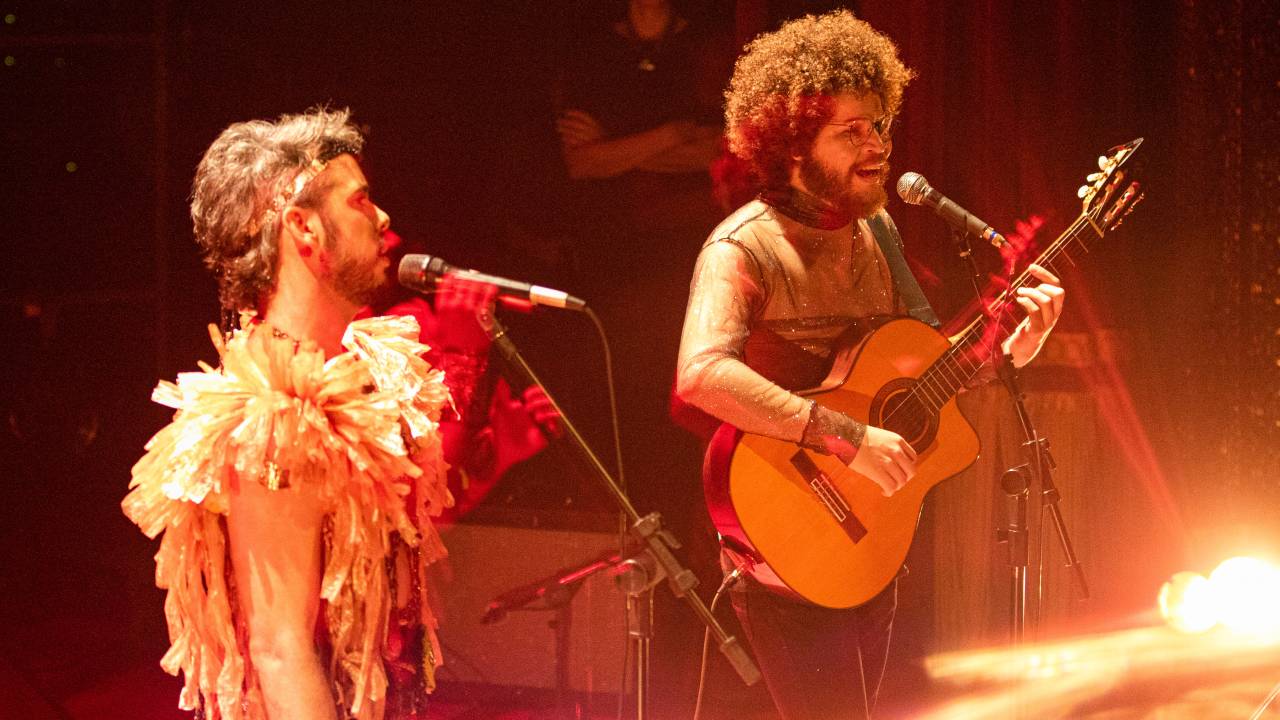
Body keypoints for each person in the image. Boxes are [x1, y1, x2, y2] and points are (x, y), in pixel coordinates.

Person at [674, 11, 1065, 720]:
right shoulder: (742, 250)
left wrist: (1010, 348)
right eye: (849, 131)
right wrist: (847, 438)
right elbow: (701, 376)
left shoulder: (876, 229)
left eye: (878, 125)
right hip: (784, 541)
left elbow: (923, 364)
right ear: (791, 144)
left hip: (869, 540)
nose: (877, 144)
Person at [122, 108, 476, 719]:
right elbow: (280, 647)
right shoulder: (272, 422)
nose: (383, 218)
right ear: (305, 229)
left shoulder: (361, 372)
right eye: (360, 201)